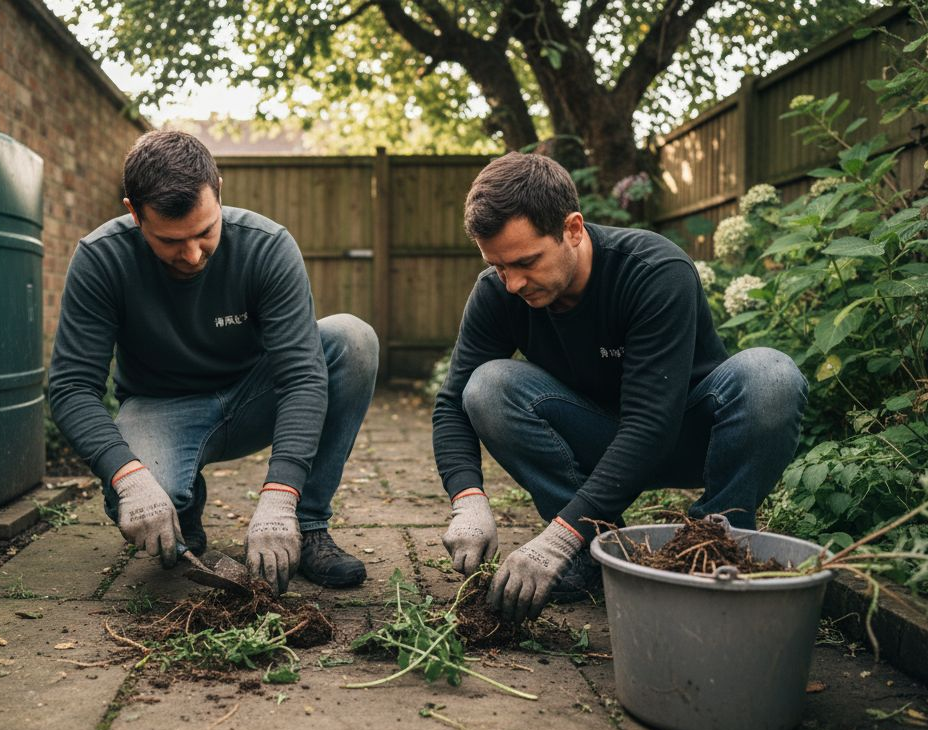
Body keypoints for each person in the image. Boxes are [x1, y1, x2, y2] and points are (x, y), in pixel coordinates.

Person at [433, 152, 807, 622]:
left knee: (771, 375)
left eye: (526, 261)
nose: (512, 283)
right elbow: (451, 404)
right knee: (486, 387)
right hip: (596, 440)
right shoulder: (498, 293)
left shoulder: (653, 271)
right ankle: (589, 553)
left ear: (572, 229)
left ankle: (715, 545)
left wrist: (556, 537)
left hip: (689, 433)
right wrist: (467, 499)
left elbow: (651, 423)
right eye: (499, 266)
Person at [48, 130, 378, 595]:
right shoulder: (102, 259)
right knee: (133, 500)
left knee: (352, 339)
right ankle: (181, 508)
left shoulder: (266, 247)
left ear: (218, 190)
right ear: (133, 212)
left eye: (205, 232)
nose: (192, 254)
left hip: (254, 396)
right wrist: (129, 478)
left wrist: (281, 493)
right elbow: (71, 388)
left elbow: (303, 377)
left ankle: (307, 526)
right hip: (162, 406)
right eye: (170, 240)